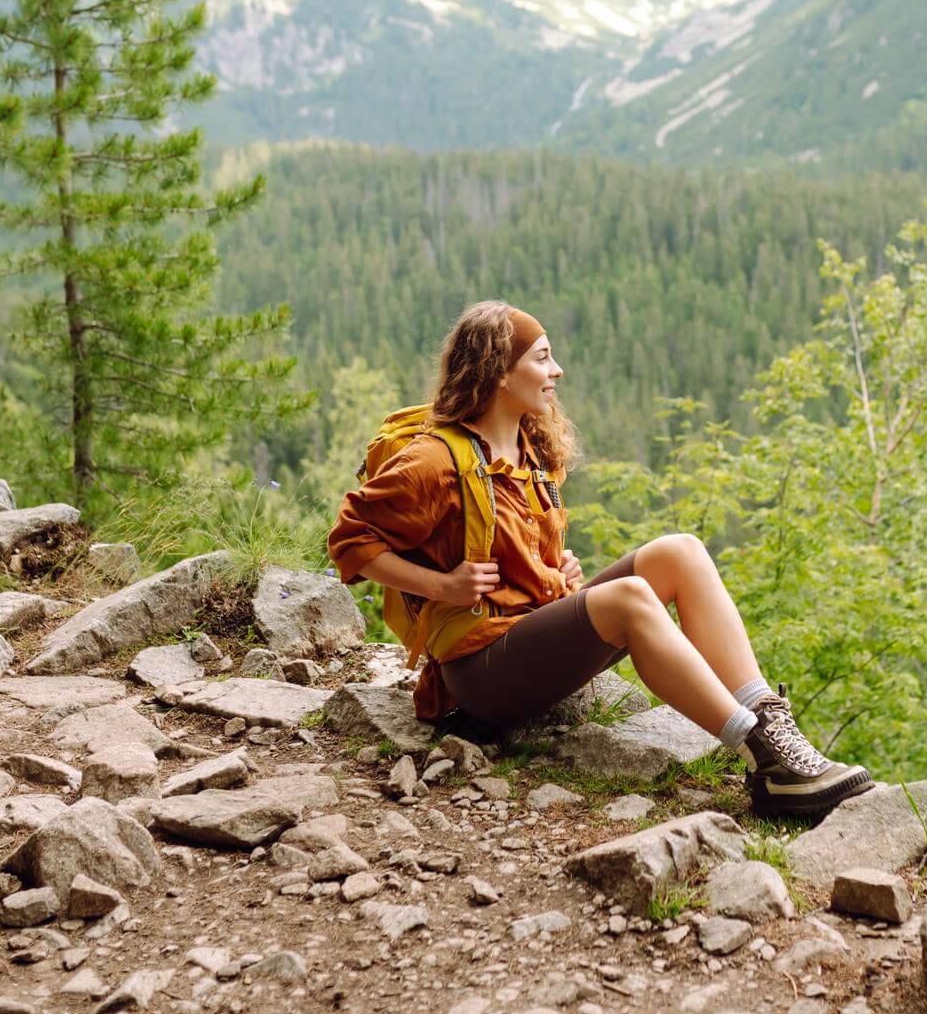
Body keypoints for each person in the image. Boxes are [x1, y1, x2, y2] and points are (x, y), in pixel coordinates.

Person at [327, 300, 872, 817]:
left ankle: (773, 726)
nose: (557, 371)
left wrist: (555, 574)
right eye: (542, 358)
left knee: (681, 551)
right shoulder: (435, 461)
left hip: (530, 641)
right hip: (480, 673)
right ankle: (764, 759)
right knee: (629, 598)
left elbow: (514, 551)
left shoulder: (531, 450)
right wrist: (442, 587)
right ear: (499, 374)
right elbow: (349, 541)